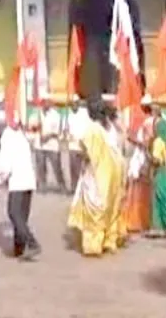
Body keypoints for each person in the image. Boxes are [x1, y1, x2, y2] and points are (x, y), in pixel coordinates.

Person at [67, 101, 127, 256]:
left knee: (94, 208)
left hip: (97, 173)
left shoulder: (92, 130)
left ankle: (93, 245)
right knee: (111, 206)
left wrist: (82, 158)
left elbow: (87, 153)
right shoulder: (108, 128)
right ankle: (109, 240)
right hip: (114, 171)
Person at [0, 109, 41, 259]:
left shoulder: (7, 136)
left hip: (18, 181)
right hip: (28, 181)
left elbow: (6, 163)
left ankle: (31, 243)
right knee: (22, 216)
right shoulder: (22, 136)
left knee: (14, 213)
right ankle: (18, 248)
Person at [124, 97, 154, 234]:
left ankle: (137, 222)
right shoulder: (151, 121)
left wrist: (133, 139)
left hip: (143, 158)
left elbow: (146, 143)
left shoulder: (148, 122)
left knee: (138, 189)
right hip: (141, 157)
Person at [35, 99, 67, 193]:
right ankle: (42, 185)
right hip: (39, 145)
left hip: (52, 145)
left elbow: (58, 132)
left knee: (56, 166)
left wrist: (48, 136)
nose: (45, 104)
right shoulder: (37, 114)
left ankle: (62, 185)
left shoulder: (55, 115)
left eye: (47, 102)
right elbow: (32, 127)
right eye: (43, 102)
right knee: (40, 166)